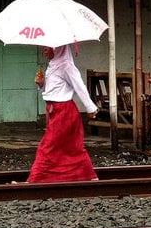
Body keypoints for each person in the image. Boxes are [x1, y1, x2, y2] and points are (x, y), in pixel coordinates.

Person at [27, 45, 99, 183]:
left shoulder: (66, 66)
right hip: (54, 111)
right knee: (72, 148)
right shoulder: (54, 64)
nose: (44, 49)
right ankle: (89, 176)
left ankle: (35, 180)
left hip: (64, 112)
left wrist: (90, 108)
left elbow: (79, 86)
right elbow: (55, 88)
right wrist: (41, 84)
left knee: (47, 147)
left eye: (48, 47)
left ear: (58, 48)